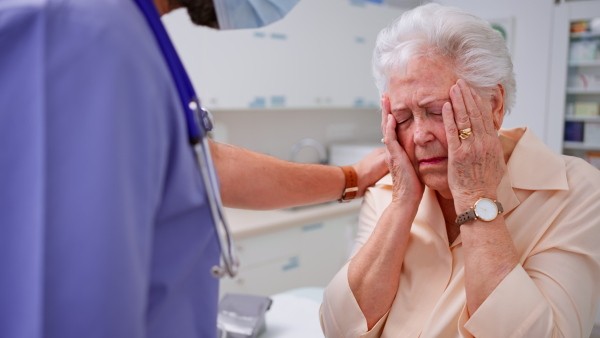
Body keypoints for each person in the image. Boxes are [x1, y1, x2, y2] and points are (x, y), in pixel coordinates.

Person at [0, 0, 387, 337]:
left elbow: (203, 161)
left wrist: (351, 177)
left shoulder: (126, 34)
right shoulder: (75, 28)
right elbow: (55, 301)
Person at [320, 4, 600, 337]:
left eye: (437, 111)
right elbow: (338, 328)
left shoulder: (575, 191)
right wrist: (401, 206)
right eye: (404, 118)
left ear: (494, 105)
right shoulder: (389, 191)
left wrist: (476, 196)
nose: (420, 135)